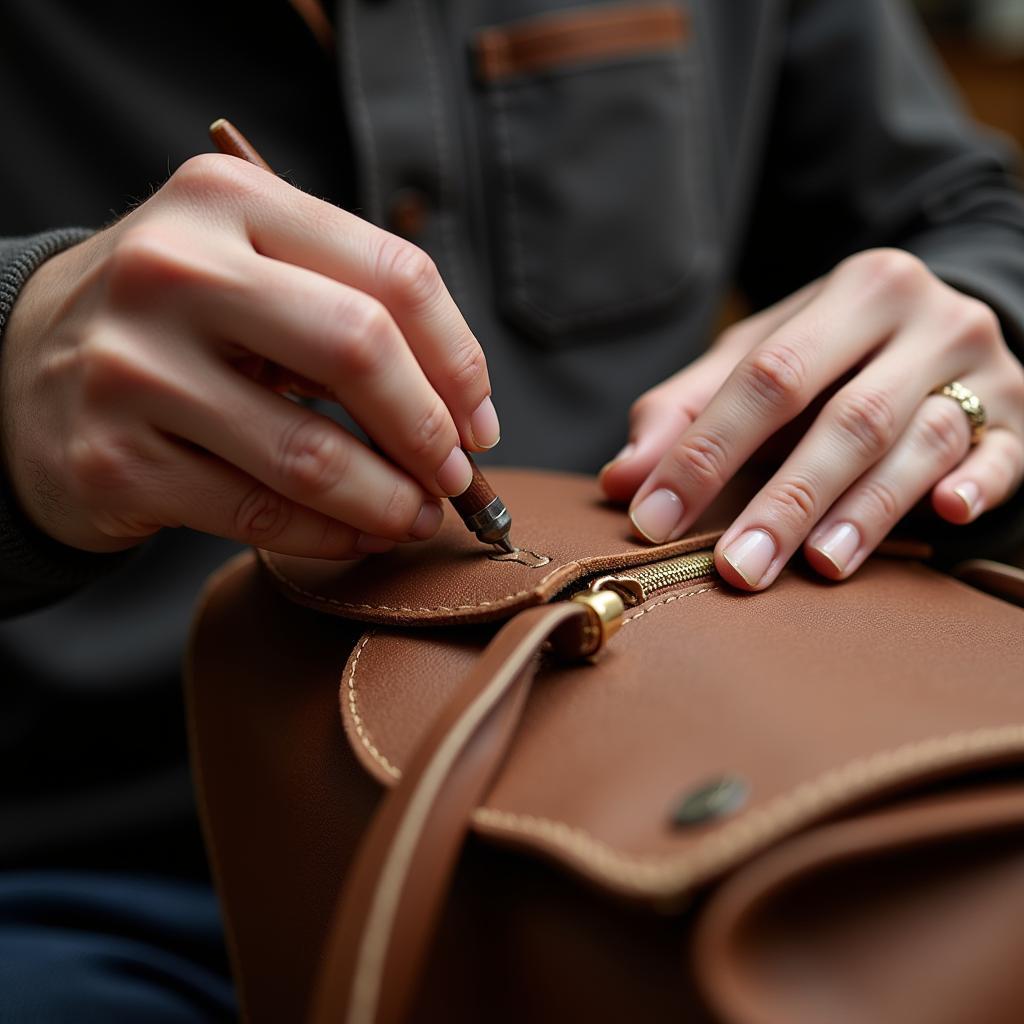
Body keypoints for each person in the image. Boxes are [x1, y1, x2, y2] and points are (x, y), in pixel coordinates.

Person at [1, 0, 1023, 1018]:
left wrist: (968, 331)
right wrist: (14, 366)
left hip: (680, 788)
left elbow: (960, 213)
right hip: (84, 870)